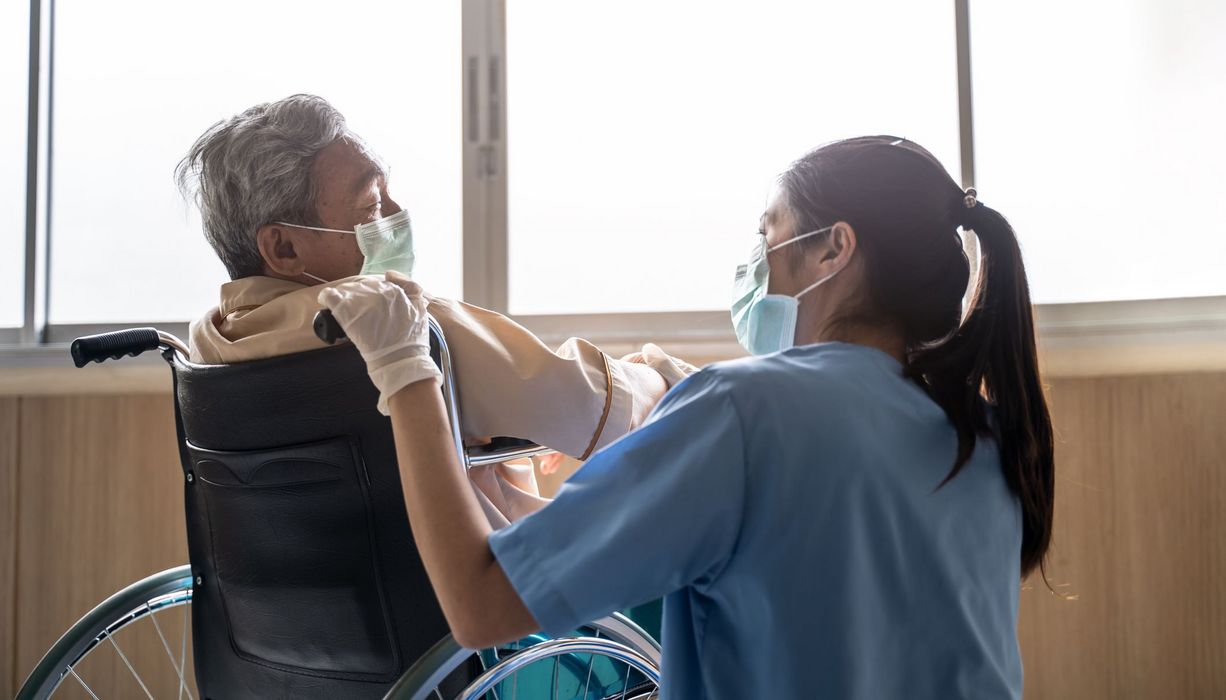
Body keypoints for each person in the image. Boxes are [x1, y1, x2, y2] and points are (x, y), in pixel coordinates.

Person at [321, 135, 1056, 699]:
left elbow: (481, 607)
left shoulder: (743, 410)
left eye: (769, 234)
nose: (758, 261)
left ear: (836, 248)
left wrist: (406, 370)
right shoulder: (984, 431)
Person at [175, 94, 676, 525]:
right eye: (370, 206)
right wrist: (654, 371)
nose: (396, 215)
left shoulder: (210, 345)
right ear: (284, 249)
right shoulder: (403, 328)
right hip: (480, 610)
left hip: (295, 617)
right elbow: (592, 409)